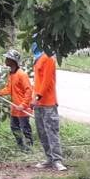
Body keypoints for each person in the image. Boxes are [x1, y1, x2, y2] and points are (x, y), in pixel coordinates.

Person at [30, 39, 64, 170]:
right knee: (42, 133)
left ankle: (57, 160)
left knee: (51, 132)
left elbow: (47, 81)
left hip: (48, 103)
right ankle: (49, 159)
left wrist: (37, 97)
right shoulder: (37, 59)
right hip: (38, 103)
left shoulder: (48, 58)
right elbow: (37, 82)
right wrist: (33, 99)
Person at [0, 49, 34, 150]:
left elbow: (29, 90)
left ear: (13, 61)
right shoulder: (11, 74)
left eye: (7, 58)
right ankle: (21, 146)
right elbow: (9, 89)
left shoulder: (22, 74)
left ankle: (29, 147)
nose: (5, 60)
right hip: (15, 107)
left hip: (23, 108)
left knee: (25, 128)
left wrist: (23, 105)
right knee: (14, 127)